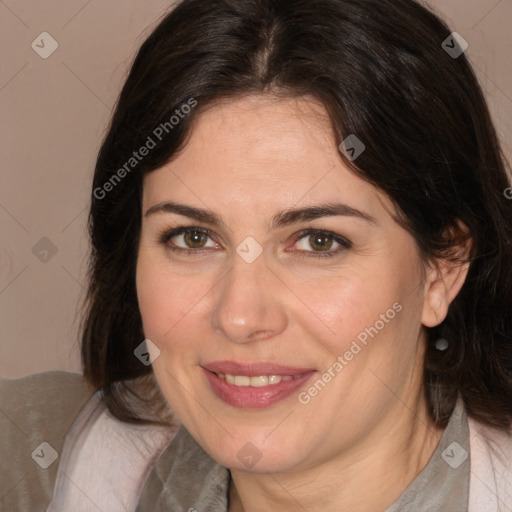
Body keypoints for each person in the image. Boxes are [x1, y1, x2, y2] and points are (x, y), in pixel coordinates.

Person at [2, 0, 512, 510]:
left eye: (318, 241)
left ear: (442, 270)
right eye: (193, 238)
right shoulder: (37, 459)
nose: (240, 317)